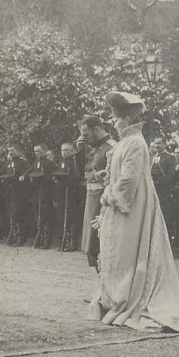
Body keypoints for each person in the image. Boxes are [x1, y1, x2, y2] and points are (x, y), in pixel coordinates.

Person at [88, 92, 179, 334]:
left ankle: (129, 297)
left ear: (127, 119)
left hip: (133, 205)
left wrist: (110, 196)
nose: (114, 123)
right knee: (120, 251)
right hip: (125, 205)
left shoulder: (136, 143)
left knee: (129, 250)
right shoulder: (125, 142)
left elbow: (128, 180)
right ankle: (115, 297)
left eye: (116, 118)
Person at [79, 115, 114, 269]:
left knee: (100, 242)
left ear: (97, 129)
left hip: (103, 199)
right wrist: (79, 152)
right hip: (91, 198)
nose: (83, 138)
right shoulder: (94, 149)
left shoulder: (112, 147)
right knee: (91, 245)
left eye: (86, 134)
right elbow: (81, 172)